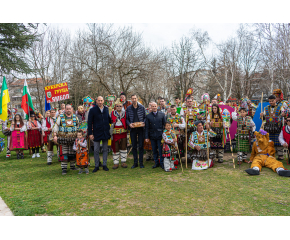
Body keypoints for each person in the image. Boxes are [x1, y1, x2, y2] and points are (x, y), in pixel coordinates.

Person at [53, 104, 79, 175]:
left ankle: (72, 166)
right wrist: (55, 136)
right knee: (64, 153)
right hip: (63, 139)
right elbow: (56, 127)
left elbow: (78, 127)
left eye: (69, 109)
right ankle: (64, 168)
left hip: (73, 139)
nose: (68, 110)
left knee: (73, 152)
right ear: (65, 110)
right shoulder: (60, 117)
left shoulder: (75, 117)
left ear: (72, 109)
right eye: (67, 109)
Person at [88, 96, 111, 172]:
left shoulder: (107, 109)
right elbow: (89, 122)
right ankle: (96, 165)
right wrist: (90, 134)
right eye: (99, 100)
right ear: (96, 101)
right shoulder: (92, 110)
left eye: (101, 100)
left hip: (105, 132)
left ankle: (104, 165)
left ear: (103, 101)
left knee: (105, 149)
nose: (100, 102)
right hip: (96, 133)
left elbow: (109, 119)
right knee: (96, 150)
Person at [260, 95, 284, 160]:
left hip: (277, 127)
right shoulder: (266, 108)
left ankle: (280, 155)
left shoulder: (280, 107)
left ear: (275, 100)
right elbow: (263, 119)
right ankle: (270, 154)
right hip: (268, 127)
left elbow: (283, 116)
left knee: (278, 141)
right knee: (270, 142)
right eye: (270, 101)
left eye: (272, 101)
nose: (271, 102)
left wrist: (283, 115)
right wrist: (262, 115)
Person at [126, 94, 146, 169]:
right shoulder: (128, 108)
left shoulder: (142, 107)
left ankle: (141, 162)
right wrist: (129, 124)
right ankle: (135, 163)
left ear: (137, 99)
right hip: (133, 129)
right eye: (132, 98)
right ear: (131, 99)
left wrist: (143, 123)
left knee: (141, 146)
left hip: (141, 129)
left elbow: (145, 117)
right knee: (134, 146)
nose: (134, 100)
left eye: (135, 98)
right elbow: (127, 119)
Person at [145, 102, 166, 169]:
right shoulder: (148, 116)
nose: (154, 107)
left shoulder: (162, 115)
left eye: (155, 106)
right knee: (154, 150)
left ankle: (162, 163)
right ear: (150, 107)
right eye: (152, 106)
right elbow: (147, 127)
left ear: (157, 106)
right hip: (152, 135)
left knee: (160, 150)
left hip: (160, 135)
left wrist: (165, 135)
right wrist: (146, 137)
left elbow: (165, 126)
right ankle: (156, 163)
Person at [111, 98, 128, 169]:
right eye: (117, 106)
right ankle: (116, 163)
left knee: (123, 147)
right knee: (115, 148)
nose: (119, 107)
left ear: (122, 107)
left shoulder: (125, 113)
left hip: (123, 133)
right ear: (115, 106)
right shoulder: (112, 113)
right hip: (115, 133)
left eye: (120, 106)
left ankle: (123, 162)